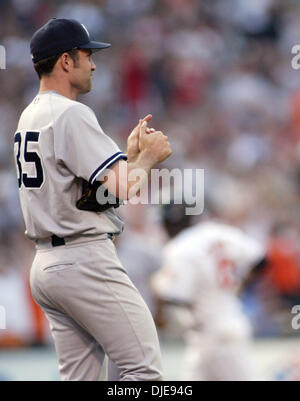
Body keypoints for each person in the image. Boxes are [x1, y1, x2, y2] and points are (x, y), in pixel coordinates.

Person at [13, 18, 172, 381]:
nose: (94, 64)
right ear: (66, 62)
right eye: (86, 55)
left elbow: (89, 193)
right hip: (82, 259)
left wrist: (129, 159)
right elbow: (121, 189)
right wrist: (147, 158)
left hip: (46, 264)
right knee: (144, 375)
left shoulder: (29, 115)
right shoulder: (71, 112)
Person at [153, 208, 267, 381]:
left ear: (169, 223)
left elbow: (176, 297)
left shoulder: (179, 247)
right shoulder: (218, 231)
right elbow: (261, 259)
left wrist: (158, 285)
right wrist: (240, 286)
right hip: (221, 328)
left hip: (215, 334)